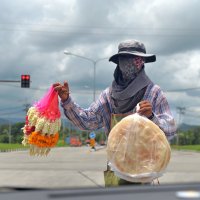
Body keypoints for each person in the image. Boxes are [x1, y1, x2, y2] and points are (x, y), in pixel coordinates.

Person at [53, 39, 176, 185]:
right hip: (116, 170)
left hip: (145, 172)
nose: (131, 63)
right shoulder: (108, 95)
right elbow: (88, 121)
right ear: (119, 62)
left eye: (136, 59)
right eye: (126, 59)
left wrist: (152, 117)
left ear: (142, 62)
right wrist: (67, 101)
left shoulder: (153, 92)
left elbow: (170, 131)